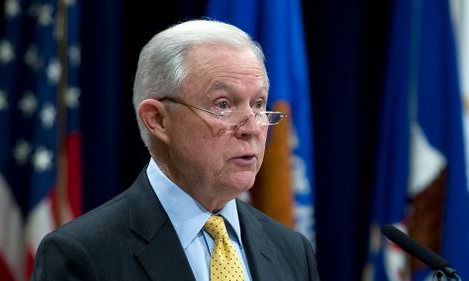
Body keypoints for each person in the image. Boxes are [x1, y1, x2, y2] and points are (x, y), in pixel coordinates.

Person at [31, 19, 320, 281]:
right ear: (158, 119)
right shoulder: (82, 256)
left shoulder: (293, 251)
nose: (252, 127)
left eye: (258, 104)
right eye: (223, 104)